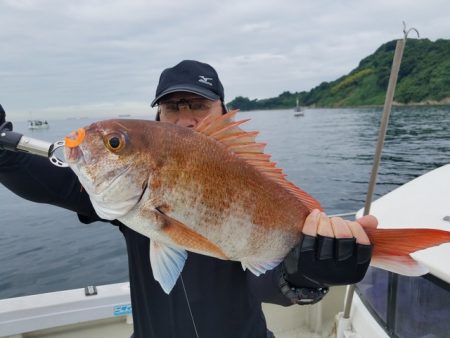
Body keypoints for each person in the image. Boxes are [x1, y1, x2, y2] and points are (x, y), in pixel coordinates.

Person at [0, 60, 377, 338]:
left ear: (224, 113)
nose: (185, 118)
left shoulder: (252, 183)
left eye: (198, 105)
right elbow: (37, 178)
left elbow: (268, 284)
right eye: (173, 107)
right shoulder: (126, 191)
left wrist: (307, 272)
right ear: (159, 118)